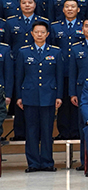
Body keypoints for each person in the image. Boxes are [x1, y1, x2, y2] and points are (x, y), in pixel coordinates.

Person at [16, 21, 63, 172]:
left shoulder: (56, 52)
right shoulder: (23, 52)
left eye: (42, 32)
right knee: (31, 131)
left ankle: (47, 162)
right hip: (29, 95)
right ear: (32, 34)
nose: (39, 35)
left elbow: (59, 76)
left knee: (47, 131)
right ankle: (33, 163)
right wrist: (19, 96)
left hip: (49, 96)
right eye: (36, 32)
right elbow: (19, 76)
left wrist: (59, 96)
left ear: (47, 34)